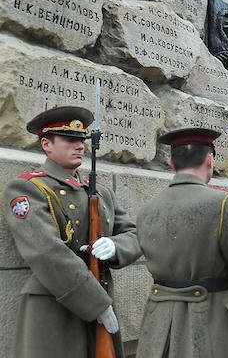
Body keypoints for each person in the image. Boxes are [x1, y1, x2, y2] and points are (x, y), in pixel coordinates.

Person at [3, 106, 141, 357]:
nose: (80, 146)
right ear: (46, 144)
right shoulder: (27, 188)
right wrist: (97, 304)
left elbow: (133, 234)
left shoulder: (100, 192)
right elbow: (46, 251)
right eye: (70, 140)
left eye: (82, 140)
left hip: (100, 296)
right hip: (55, 307)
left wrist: (116, 246)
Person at [136, 128, 228, 357]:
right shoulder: (226, 203)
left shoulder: (147, 210)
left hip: (160, 323)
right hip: (213, 321)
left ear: (171, 162)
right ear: (209, 160)